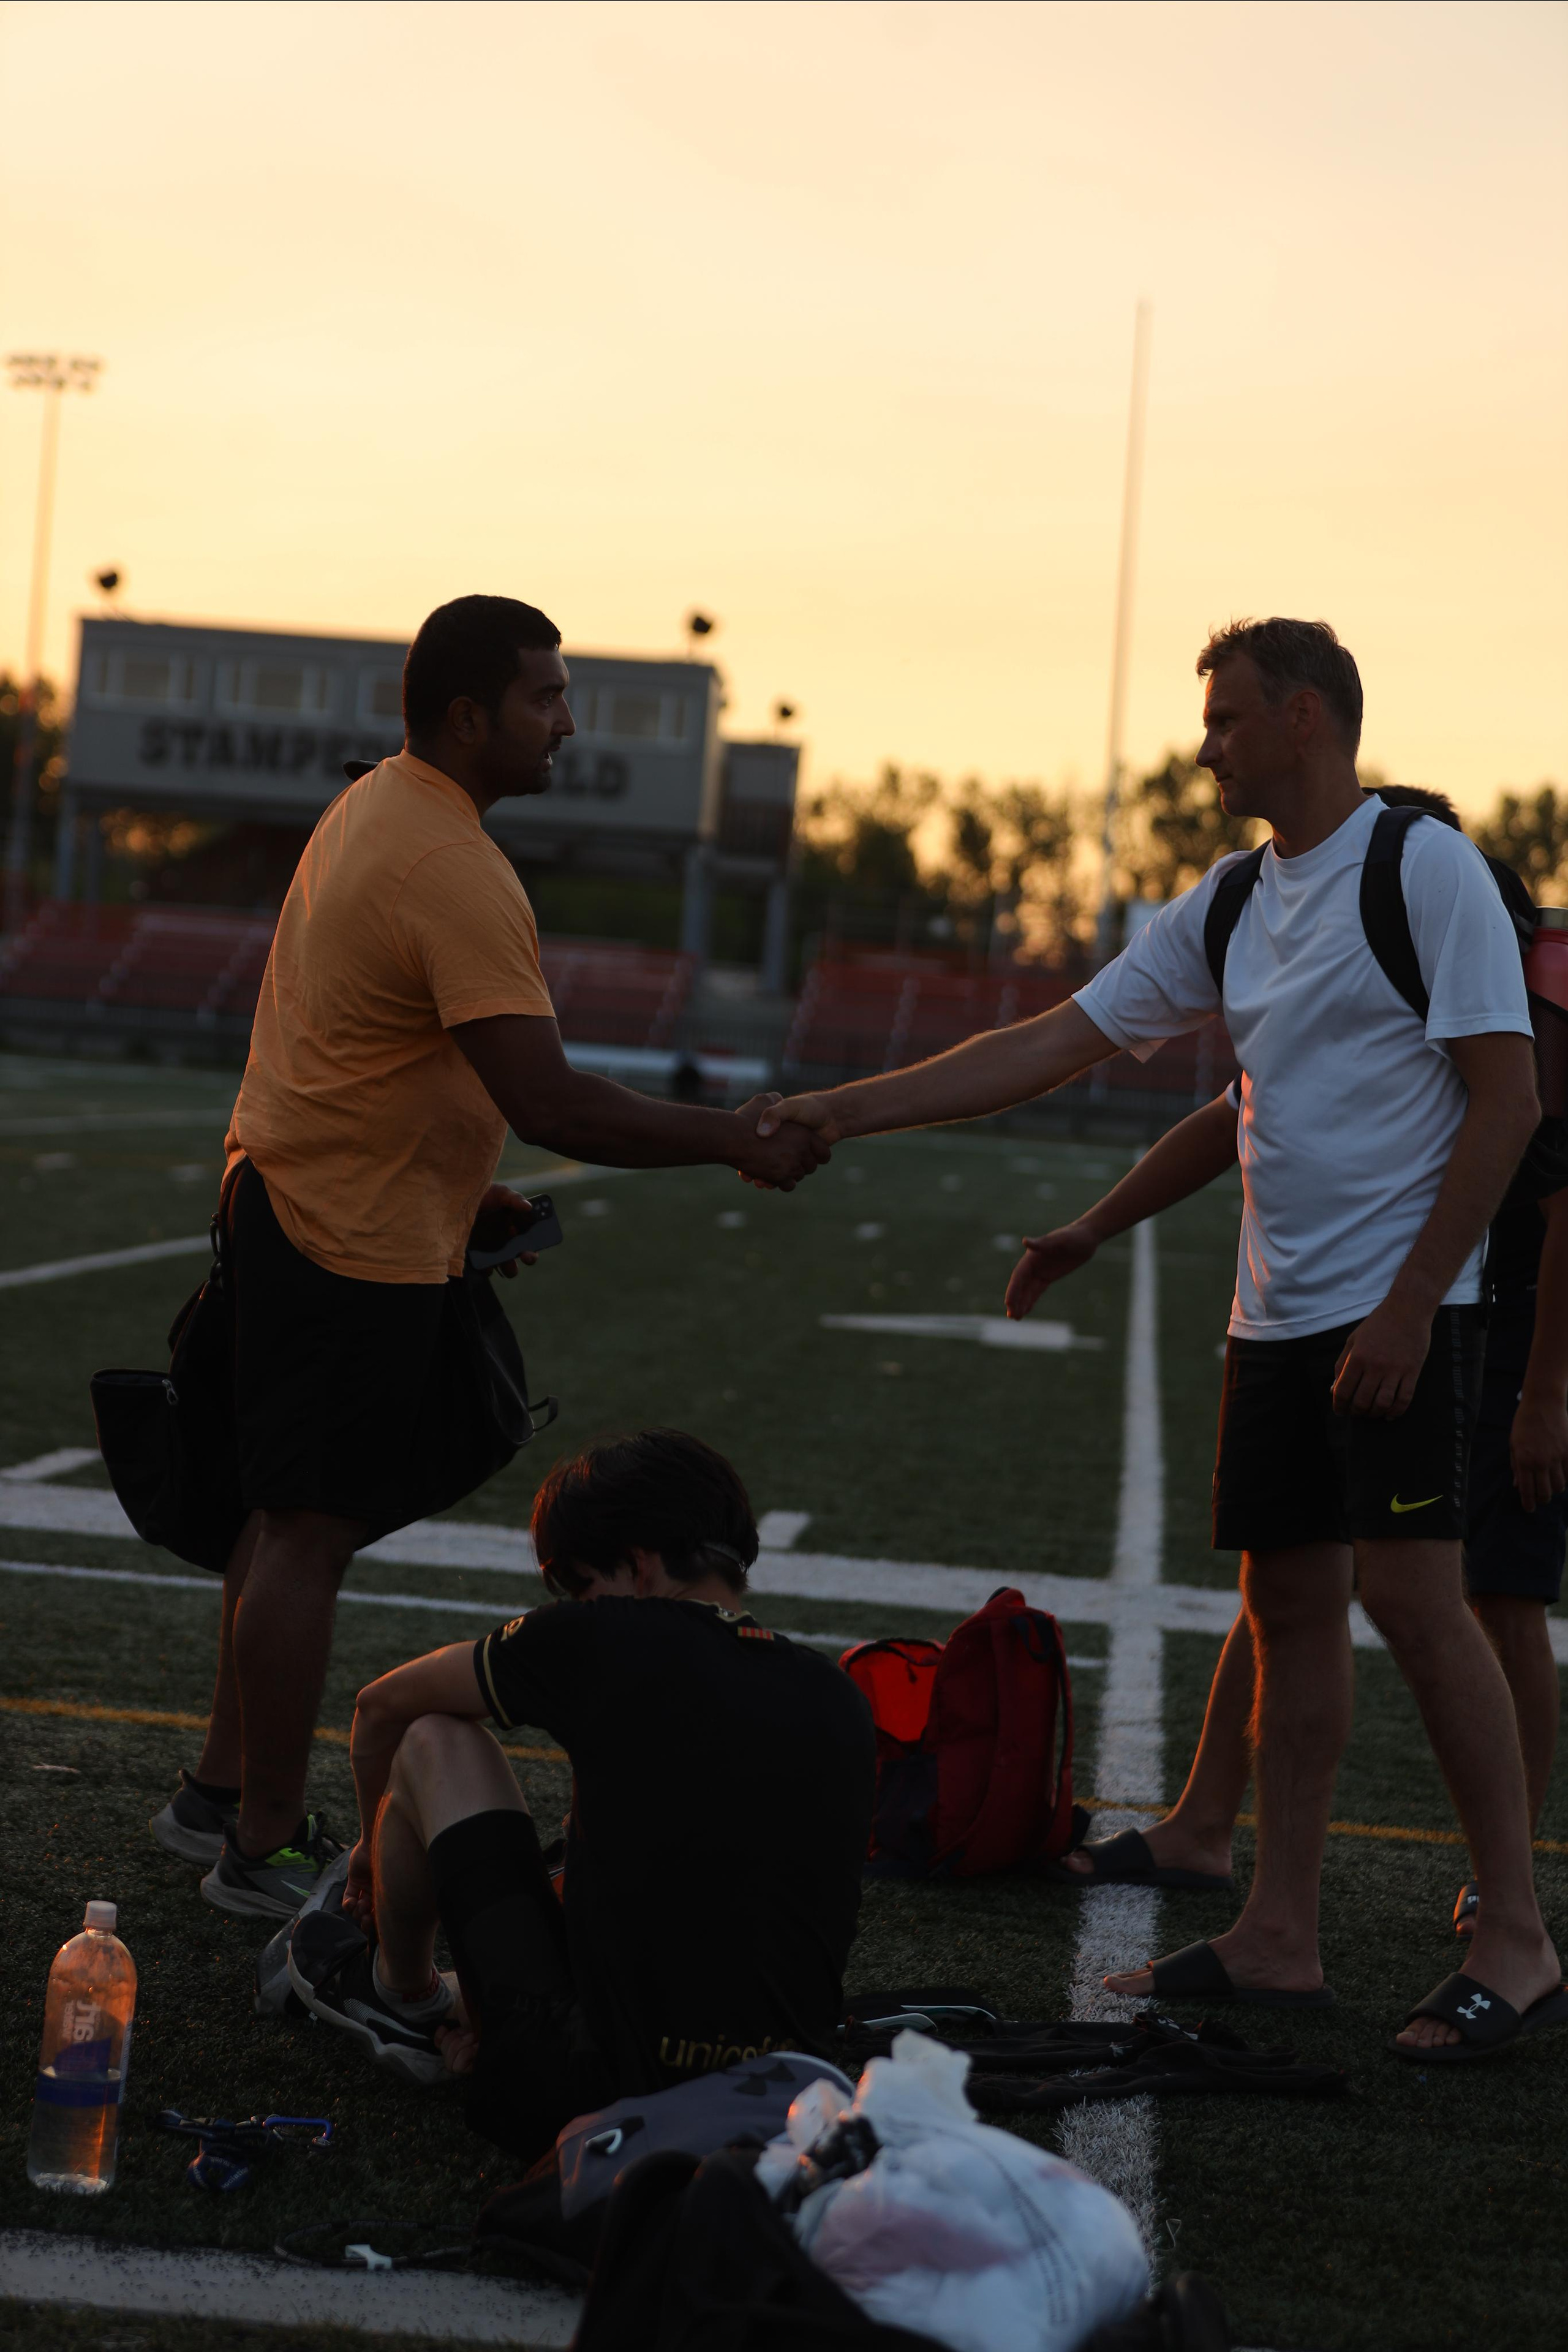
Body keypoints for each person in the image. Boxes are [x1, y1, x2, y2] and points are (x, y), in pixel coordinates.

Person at [758, 618, 1565, 2057]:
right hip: (1273, 1317)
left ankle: (1512, 1932)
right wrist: (845, 1105)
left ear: (1303, 718)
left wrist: (1404, 1300)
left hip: (1402, 1315)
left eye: (1226, 718)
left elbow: (1506, 1103)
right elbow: (1051, 1041)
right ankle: (1277, 1929)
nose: (1203, 745)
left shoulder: (1419, 865)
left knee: (1418, 1604)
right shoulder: (1232, 898)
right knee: (1289, 1612)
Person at [148, 595, 828, 1922]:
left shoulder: (375, 807)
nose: (565, 722)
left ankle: (220, 1796)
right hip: (340, 1231)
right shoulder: (448, 863)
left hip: (304, 1198)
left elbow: (368, 1045)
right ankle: (264, 1842)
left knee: (278, 1518)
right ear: (468, 716)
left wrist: (461, 1190)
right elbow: (558, 1103)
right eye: (544, 699)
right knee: (306, 1531)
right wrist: (737, 1140)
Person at [284, 1430, 877, 2164]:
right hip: (791, 2098)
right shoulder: (837, 1693)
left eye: (579, 1586)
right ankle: (460, 1997)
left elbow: (381, 1710)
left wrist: (373, 1855)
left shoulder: (605, 1637)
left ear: (636, 1565)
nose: (578, 1606)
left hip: (597, 2098)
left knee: (433, 1737)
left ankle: (401, 1994)